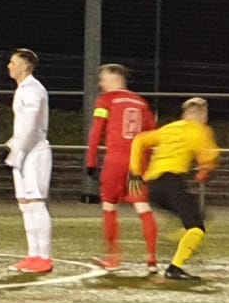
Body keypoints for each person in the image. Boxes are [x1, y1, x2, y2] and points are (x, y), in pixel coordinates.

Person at [129, 97, 221, 281]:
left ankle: (179, 237)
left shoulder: (169, 129)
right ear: (201, 114)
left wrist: (135, 171)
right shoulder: (200, 131)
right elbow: (210, 158)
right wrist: (205, 170)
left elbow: (139, 140)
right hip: (171, 182)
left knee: (196, 214)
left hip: (153, 187)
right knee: (197, 228)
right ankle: (175, 267)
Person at [84, 63, 159, 273]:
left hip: (115, 162)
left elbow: (96, 131)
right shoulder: (141, 102)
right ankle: (152, 259)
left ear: (114, 79)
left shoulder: (106, 100)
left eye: (103, 79)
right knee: (143, 207)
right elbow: (152, 135)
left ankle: (113, 258)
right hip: (136, 165)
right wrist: (147, 164)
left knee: (109, 207)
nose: (100, 84)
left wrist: (91, 162)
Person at [4, 49, 53, 274]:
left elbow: (31, 124)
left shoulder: (33, 89)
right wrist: (14, 145)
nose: (9, 66)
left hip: (34, 153)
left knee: (36, 203)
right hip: (23, 153)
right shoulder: (22, 89)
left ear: (25, 66)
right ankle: (33, 254)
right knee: (25, 204)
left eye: (13, 62)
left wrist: (17, 150)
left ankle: (44, 257)